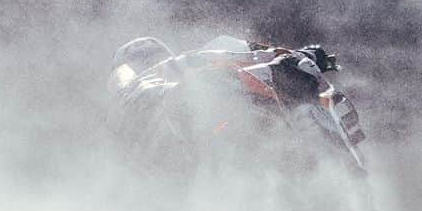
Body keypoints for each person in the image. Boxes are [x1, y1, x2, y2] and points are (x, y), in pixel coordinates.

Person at [107, 34, 362, 175]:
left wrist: (297, 57)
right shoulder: (139, 95)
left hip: (241, 126)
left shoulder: (205, 57)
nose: (150, 63)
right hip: (203, 166)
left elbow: (247, 51)